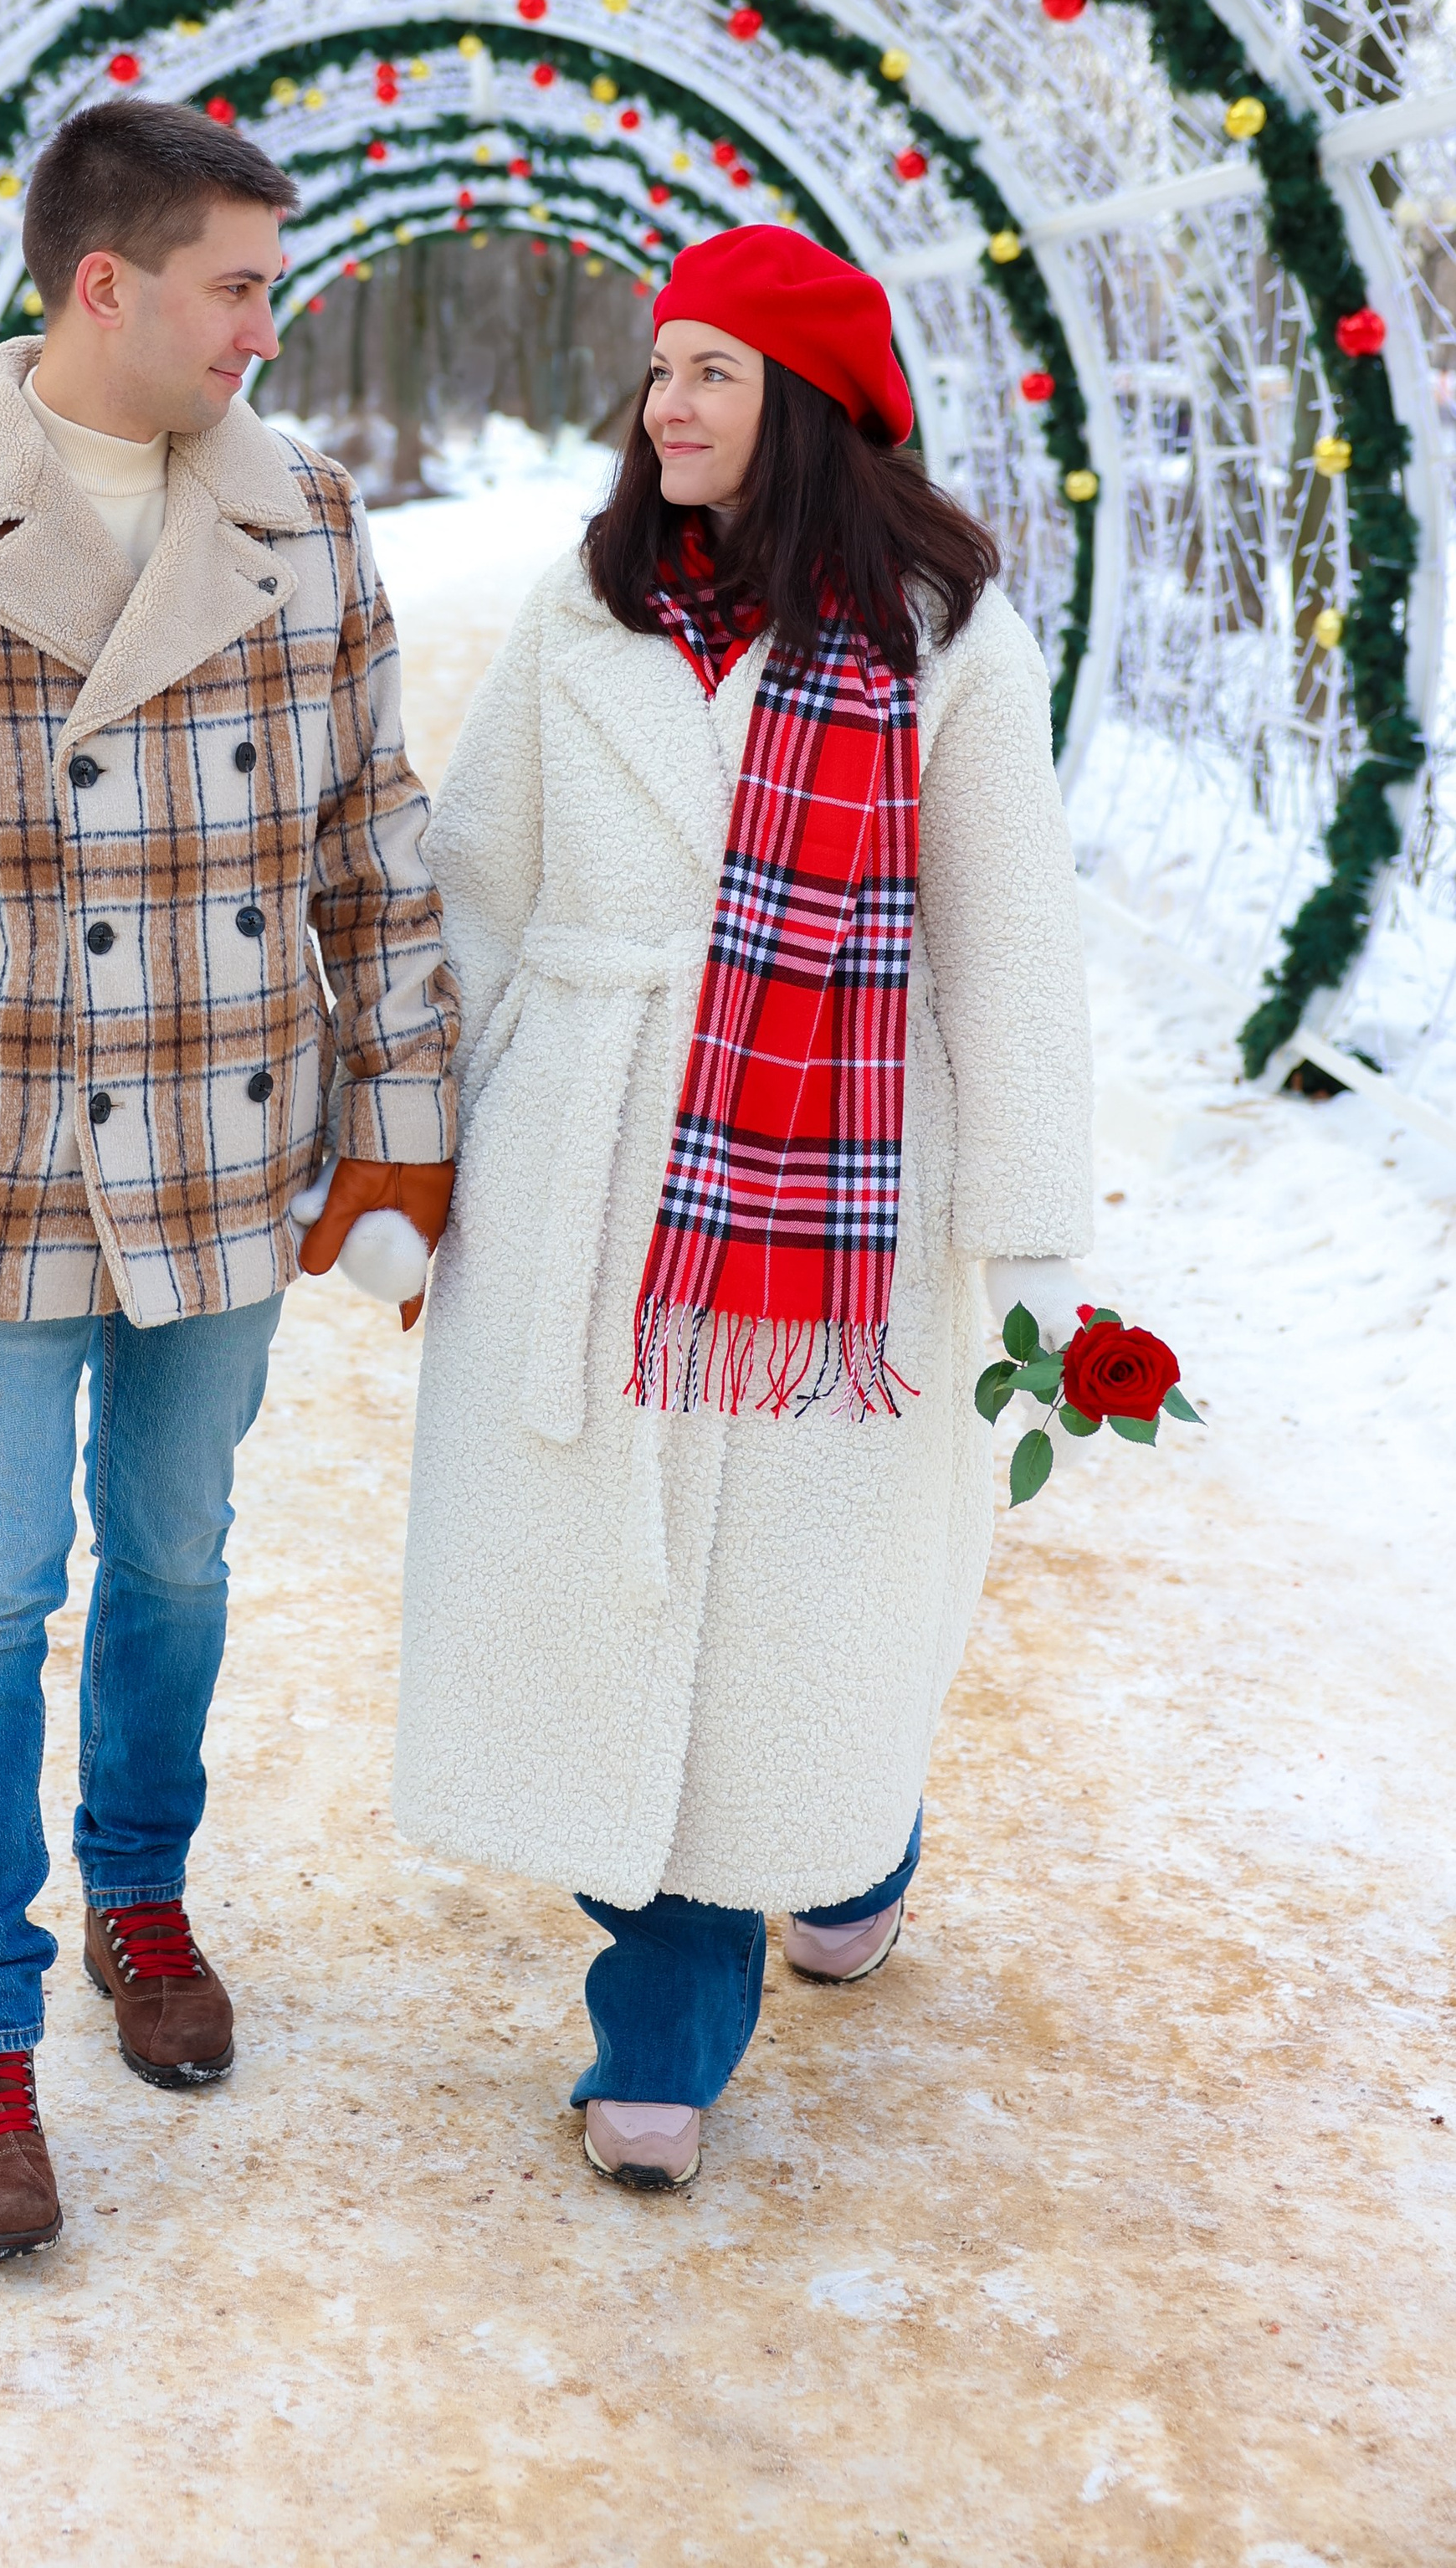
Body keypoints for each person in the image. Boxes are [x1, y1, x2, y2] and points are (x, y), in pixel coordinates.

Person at [0, 97, 457, 2259]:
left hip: (231, 1157)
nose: (269, 320)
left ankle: (138, 1899)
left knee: (177, 1561)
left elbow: (376, 846)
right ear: (105, 287)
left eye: (271, 281)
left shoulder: (308, 520)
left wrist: (404, 1133)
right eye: (237, 284)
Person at [393, 225, 1091, 2192]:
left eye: (709, 371)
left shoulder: (945, 642)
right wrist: (416, 1153)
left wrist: (1031, 1234)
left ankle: (844, 1834)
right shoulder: (583, 606)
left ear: (803, 405)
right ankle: (668, 2019)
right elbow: (472, 883)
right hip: (593, 1162)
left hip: (842, 1183)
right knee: (630, 1594)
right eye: (657, 369)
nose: (664, 406)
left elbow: (1008, 951)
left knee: (795, 1613)